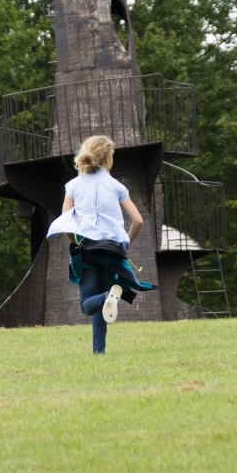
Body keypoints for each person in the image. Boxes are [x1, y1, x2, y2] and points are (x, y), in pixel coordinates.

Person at [47, 135, 157, 354]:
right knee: (100, 303)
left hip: (88, 250)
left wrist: (76, 244)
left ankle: (108, 297)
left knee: (88, 303)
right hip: (113, 251)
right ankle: (99, 352)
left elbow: (67, 222)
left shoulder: (73, 186)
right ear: (107, 158)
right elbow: (138, 220)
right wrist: (125, 244)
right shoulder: (117, 186)